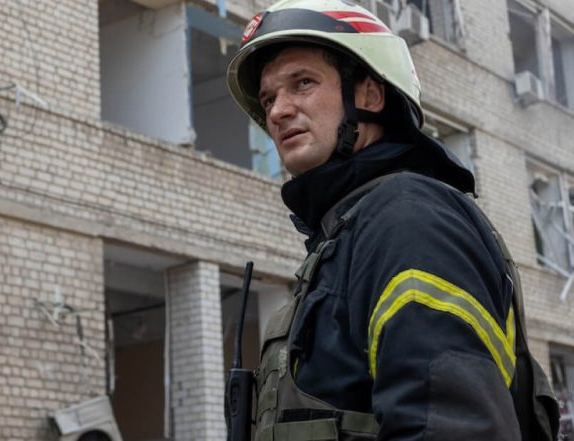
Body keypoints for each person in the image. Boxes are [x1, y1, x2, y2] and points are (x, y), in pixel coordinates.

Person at [225, 1, 559, 440]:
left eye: (302, 83)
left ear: (370, 95)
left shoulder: (408, 219)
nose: (277, 111)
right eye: (269, 98)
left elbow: (450, 429)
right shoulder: (350, 232)